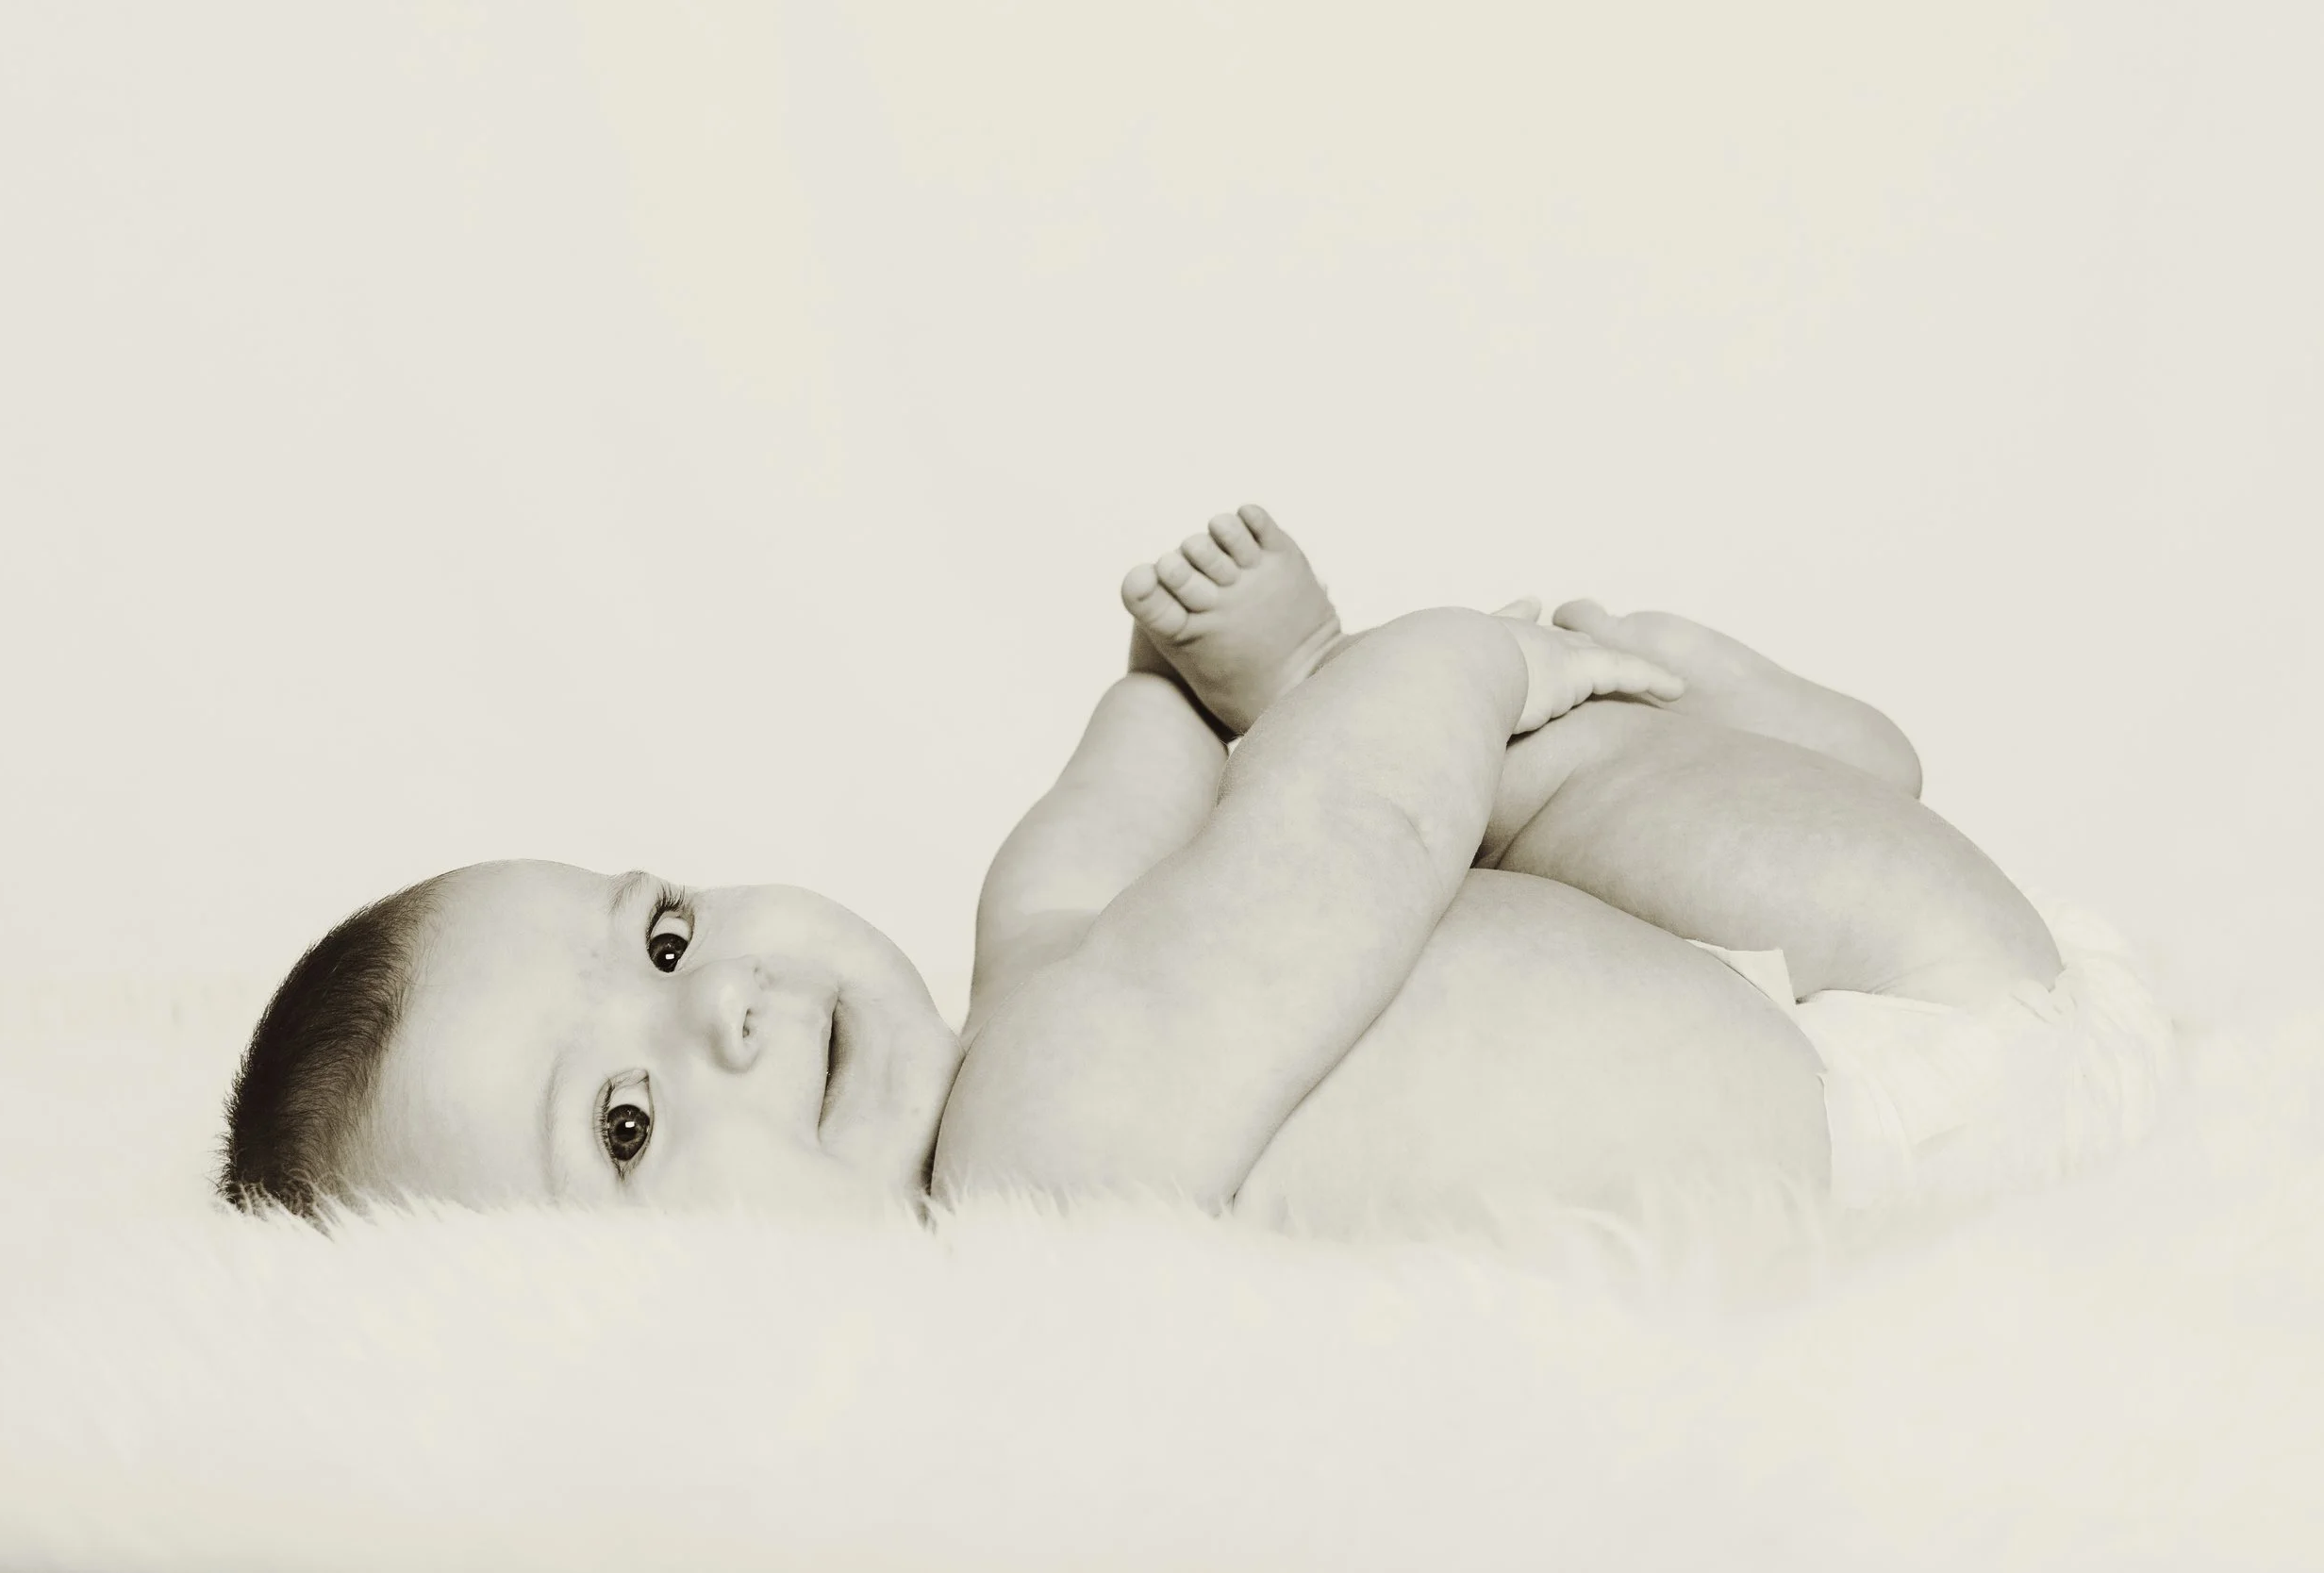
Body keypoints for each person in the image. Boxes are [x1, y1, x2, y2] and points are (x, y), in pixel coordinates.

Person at [218, 507, 2166, 1227]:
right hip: (1916, 1066)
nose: (720, 1001)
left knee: (1492, 801)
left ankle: (1810, 764)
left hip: (1834, 993)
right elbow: (1347, 830)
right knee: (1489, 787)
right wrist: (1442, 668)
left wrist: (1177, 687)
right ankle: (1818, 767)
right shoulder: (1041, 1152)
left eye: (658, 936)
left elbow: (1126, 816)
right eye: (625, 1124)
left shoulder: (1028, 1018)